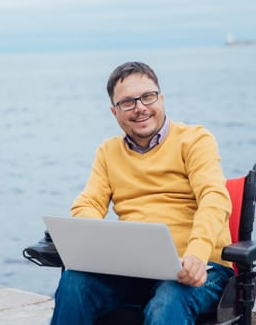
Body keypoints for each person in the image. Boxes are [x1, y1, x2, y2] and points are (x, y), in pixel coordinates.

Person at [50, 61, 234, 325]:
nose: (140, 108)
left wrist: (197, 252)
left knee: (168, 299)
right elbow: (87, 204)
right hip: (133, 269)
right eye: (127, 102)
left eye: (148, 97)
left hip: (199, 267)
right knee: (74, 281)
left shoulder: (195, 140)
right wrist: (97, 248)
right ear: (114, 112)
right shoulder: (108, 152)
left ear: (161, 98)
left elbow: (214, 197)